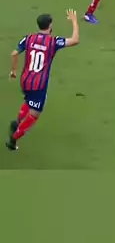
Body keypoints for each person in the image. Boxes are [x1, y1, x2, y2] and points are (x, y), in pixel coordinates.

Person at [6, 10, 80, 151]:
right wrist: (74, 21)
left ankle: (16, 123)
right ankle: (13, 139)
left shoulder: (28, 38)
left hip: (25, 80)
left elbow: (14, 53)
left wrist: (13, 71)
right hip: (39, 85)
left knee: (29, 100)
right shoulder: (53, 42)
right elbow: (75, 40)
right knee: (34, 114)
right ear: (50, 25)